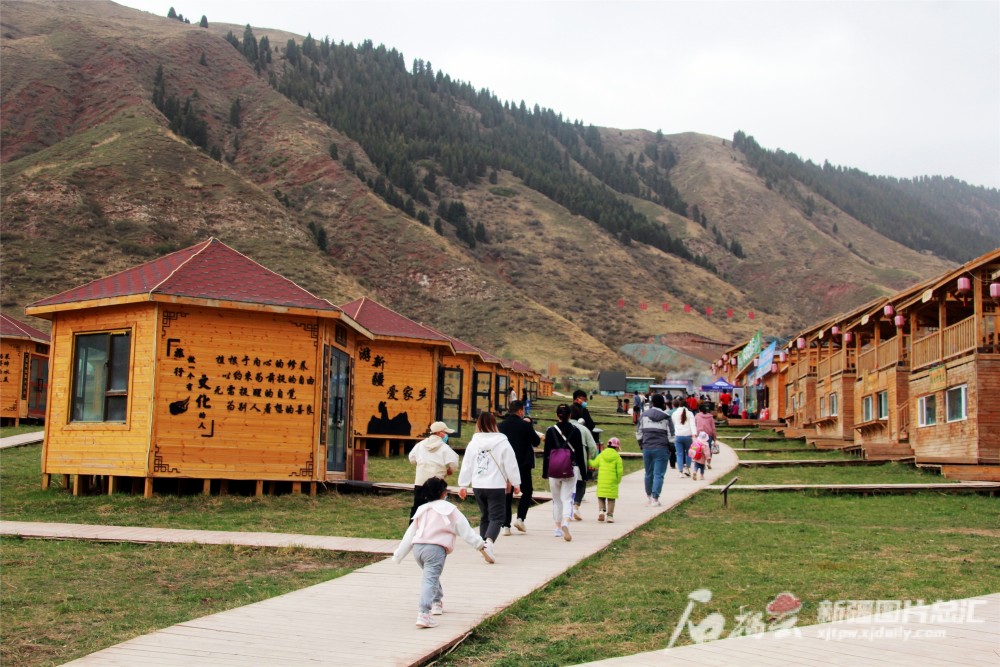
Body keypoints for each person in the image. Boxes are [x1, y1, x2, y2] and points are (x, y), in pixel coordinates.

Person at [392, 477, 487, 628]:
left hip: (418, 549)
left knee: (431, 575)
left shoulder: (422, 509)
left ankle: (437, 602)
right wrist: (480, 544)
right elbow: (465, 530)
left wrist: (399, 554)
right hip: (435, 549)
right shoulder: (450, 509)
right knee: (430, 579)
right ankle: (424, 613)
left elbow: (410, 534)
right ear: (443, 493)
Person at [457, 411, 521, 563]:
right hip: (496, 485)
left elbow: (467, 465)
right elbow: (511, 464)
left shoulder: (473, 443)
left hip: (478, 485)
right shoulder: (502, 442)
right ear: (494, 424)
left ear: (478, 424)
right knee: (497, 517)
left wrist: (463, 485)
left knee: (485, 516)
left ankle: (482, 545)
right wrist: (516, 483)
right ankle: (488, 544)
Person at [542, 403, 586, 540]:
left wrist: (545, 472)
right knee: (567, 498)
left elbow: (546, 453)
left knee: (556, 500)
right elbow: (579, 453)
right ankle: (566, 521)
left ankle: (557, 527)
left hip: (554, 469)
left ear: (557, 415)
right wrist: (584, 474)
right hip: (571, 468)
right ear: (570, 415)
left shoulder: (550, 431)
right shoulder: (576, 430)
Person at [499, 399, 540, 534]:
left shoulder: (500, 426)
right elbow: (536, 441)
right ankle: (520, 518)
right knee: (527, 491)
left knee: (507, 494)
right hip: (523, 464)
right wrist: (530, 426)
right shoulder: (525, 425)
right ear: (520, 411)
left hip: (505, 465)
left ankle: (505, 525)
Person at [408, 421, 460, 519]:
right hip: (437, 485)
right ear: (440, 433)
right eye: (446, 433)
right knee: (437, 512)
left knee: (418, 510)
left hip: (420, 483)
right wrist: (449, 471)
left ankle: (414, 531)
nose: (446, 436)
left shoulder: (420, 445)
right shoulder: (445, 448)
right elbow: (454, 463)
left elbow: (412, 459)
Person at [636, 393, 673, 506]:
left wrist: (642, 445)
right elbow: (671, 436)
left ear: (652, 403)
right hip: (661, 448)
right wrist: (671, 448)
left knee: (648, 473)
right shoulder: (666, 417)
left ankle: (649, 496)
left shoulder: (644, 415)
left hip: (647, 448)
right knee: (659, 474)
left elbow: (639, 433)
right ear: (662, 403)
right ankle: (655, 499)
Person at [570, 402, 599, 520]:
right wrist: (593, 460)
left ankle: (566, 507)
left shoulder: (559, 427)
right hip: (579, 459)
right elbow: (593, 447)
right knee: (581, 483)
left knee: (566, 484)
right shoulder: (583, 429)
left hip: (562, 461)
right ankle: (576, 506)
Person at [589, 436, 624, 522]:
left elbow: (594, 464)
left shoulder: (602, 455)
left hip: (602, 481)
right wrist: (618, 480)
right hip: (612, 481)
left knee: (601, 497)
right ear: (616, 447)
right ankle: (610, 516)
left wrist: (588, 460)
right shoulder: (617, 457)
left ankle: (601, 511)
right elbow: (620, 471)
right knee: (611, 499)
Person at [672, 398, 697, 477]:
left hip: (678, 435)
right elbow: (693, 425)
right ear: (687, 405)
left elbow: (674, 423)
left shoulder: (674, 413)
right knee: (688, 453)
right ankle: (687, 468)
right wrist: (694, 435)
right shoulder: (690, 414)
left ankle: (680, 472)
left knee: (679, 454)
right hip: (688, 436)